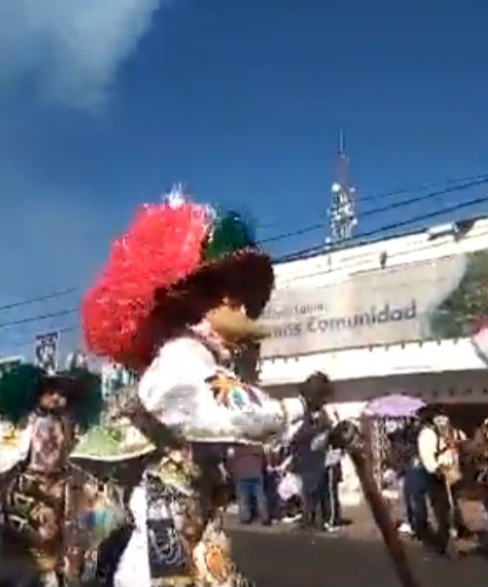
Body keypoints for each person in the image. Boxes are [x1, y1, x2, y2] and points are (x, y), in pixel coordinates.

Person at [79, 187, 331, 587]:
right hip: (162, 537)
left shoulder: (195, 357)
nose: (246, 313)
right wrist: (301, 403)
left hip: (189, 524)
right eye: (236, 299)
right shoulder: (182, 357)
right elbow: (236, 409)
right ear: (201, 300)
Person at [0, 362, 103, 587]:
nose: (57, 397)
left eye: (62, 392)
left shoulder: (69, 421)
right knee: (37, 552)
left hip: (62, 488)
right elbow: (0, 456)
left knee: (69, 551)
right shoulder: (22, 422)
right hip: (29, 489)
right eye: (50, 391)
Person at [416, 403, 468, 554]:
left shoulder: (452, 431)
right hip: (437, 475)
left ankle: (455, 534)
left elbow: (461, 444)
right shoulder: (428, 434)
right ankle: (444, 540)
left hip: (452, 472)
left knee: (453, 506)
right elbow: (427, 456)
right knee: (442, 508)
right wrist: (437, 469)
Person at [227, 444, 270, 525]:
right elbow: (265, 459)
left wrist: (232, 472)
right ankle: (264, 519)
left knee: (243, 499)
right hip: (255, 474)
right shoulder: (258, 446)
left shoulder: (234, 447)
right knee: (260, 498)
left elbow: (230, 460)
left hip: (243, 475)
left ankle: (246, 518)